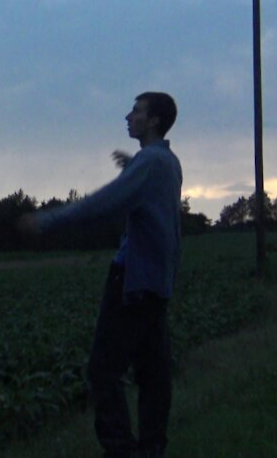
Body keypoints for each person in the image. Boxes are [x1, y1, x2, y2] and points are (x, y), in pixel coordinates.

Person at [20, 92, 182, 458]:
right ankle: (153, 448)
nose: (128, 117)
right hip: (157, 282)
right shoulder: (167, 162)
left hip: (131, 280)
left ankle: (121, 451)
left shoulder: (151, 164)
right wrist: (132, 168)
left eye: (136, 111)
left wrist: (47, 222)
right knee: (153, 375)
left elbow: (103, 203)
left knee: (103, 371)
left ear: (154, 120)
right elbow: (149, 197)